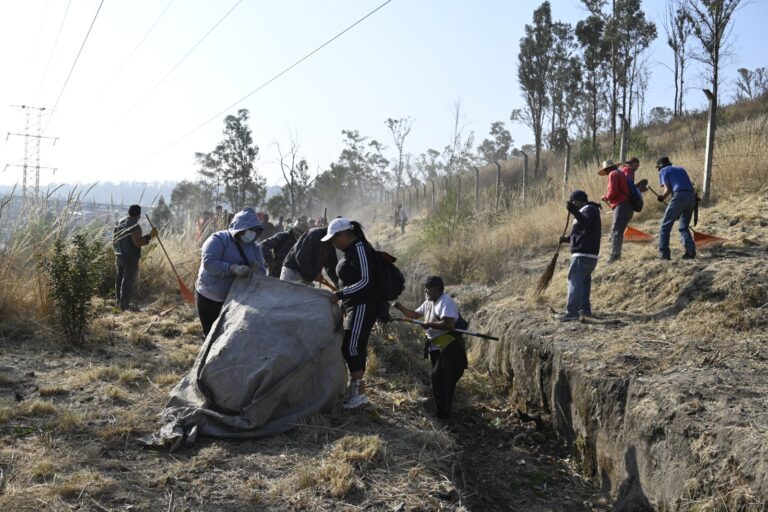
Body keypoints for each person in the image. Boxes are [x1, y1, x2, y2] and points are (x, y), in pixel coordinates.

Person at [393, 276, 468, 419]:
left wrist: (429, 324)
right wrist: (400, 307)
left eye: (430, 288)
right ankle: (443, 410)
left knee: (439, 377)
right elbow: (414, 314)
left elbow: (449, 324)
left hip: (450, 344)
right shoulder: (428, 302)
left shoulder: (446, 302)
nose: (426, 290)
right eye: (425, 287)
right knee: (441, 378)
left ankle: (443, 413)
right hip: (435, 345)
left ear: (440, 289)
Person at [326, 218, 380, 409]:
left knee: (352, 346)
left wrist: (340, 294)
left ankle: (359, 394)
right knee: (352, 344)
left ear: (343, 235)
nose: (334, 244)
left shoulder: (360, 249)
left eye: (334, 239)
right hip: (353, 304)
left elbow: (365, 281)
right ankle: (354, 391)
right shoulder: (351, 251)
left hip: (363, 304)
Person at [195, 207, 267, 336]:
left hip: (236, 300)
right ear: (240, 228)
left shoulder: (254, 247)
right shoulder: (218, 239)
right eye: (249, 230)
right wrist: (232, 268)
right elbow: (209, 262)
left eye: (255, 231)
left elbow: (262, 269)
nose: (252, 234)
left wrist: (257, 272)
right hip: (211, 297)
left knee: (228, 336)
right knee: (211, 334)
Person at [556, 190, 601, 322]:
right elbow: (583, 232)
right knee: (583, 283)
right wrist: (567, 239)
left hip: (582, 255)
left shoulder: (588, 209)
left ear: (578, 201)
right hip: (589, 255)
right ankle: (584, 310)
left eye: (574, 202)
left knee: (574, 282)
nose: (573, 205)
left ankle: (571, 312)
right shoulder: (590, 210)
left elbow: (586, 223)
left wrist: (574, 211)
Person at [113, 205, 158, 311]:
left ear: (129, 212)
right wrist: (150, 236)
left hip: (119, 254)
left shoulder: (119, 222)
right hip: (130, 257)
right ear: (138, 215)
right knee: (127, 280)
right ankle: (124, 306)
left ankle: (118, 302)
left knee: (119, 279)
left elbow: (114, 239)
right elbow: (137, 242)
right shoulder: (135, 226)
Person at [655, 156, 696, 260]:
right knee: (683, 226)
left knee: (664, 226)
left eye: (657, 167)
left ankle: (664, 255)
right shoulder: (681, 169)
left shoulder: (664, 170)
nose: (658, 170)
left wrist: (662, 197)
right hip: (691, 197)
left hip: (679, 196)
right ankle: (690, 251)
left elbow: (668, 189)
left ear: (660, 166)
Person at [599, 159, 632, 264]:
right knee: (617, 231)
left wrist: (605, 197)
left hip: (621, 206)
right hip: (626, 206)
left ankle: (615, 256)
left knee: (616, 231)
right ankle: (616, 255)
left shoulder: (612, 174)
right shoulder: (619, 173)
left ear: (607, 168)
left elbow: (613, 191)